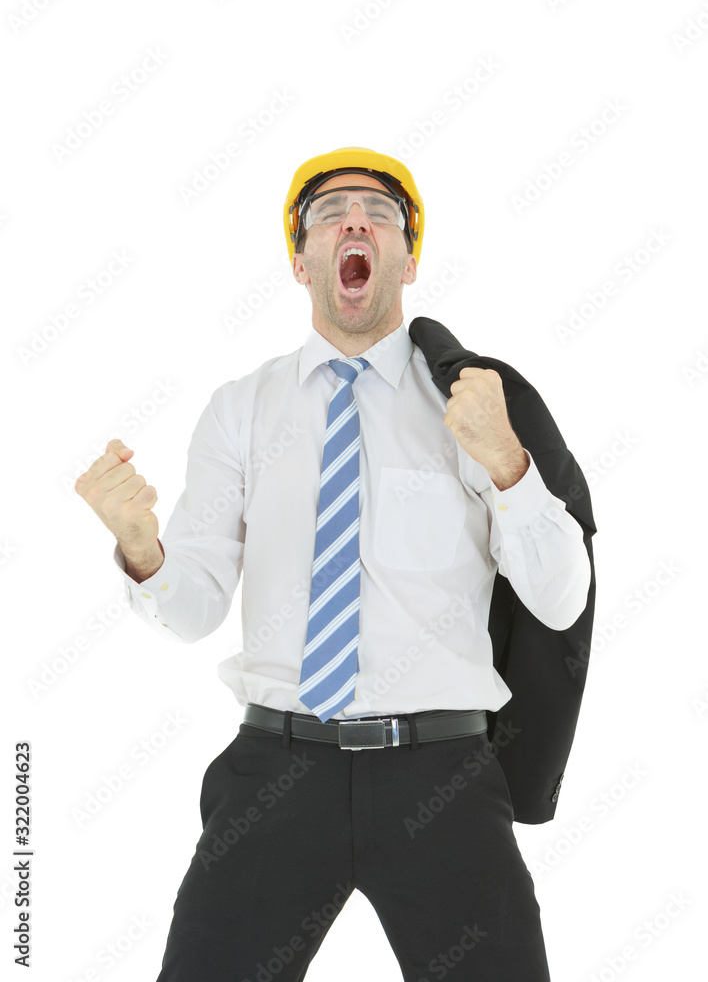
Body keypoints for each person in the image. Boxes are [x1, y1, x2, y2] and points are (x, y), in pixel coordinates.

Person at [75, 146, 591, 981]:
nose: (356, 219)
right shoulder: (241, 410)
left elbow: (562, 600)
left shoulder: (472, 404)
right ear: (300, 259)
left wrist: (507, 464)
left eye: (380, 211)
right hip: (277, 770)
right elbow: (195, 605)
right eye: (330, 212)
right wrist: (141, 545)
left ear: (407, 257)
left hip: (441, 779)